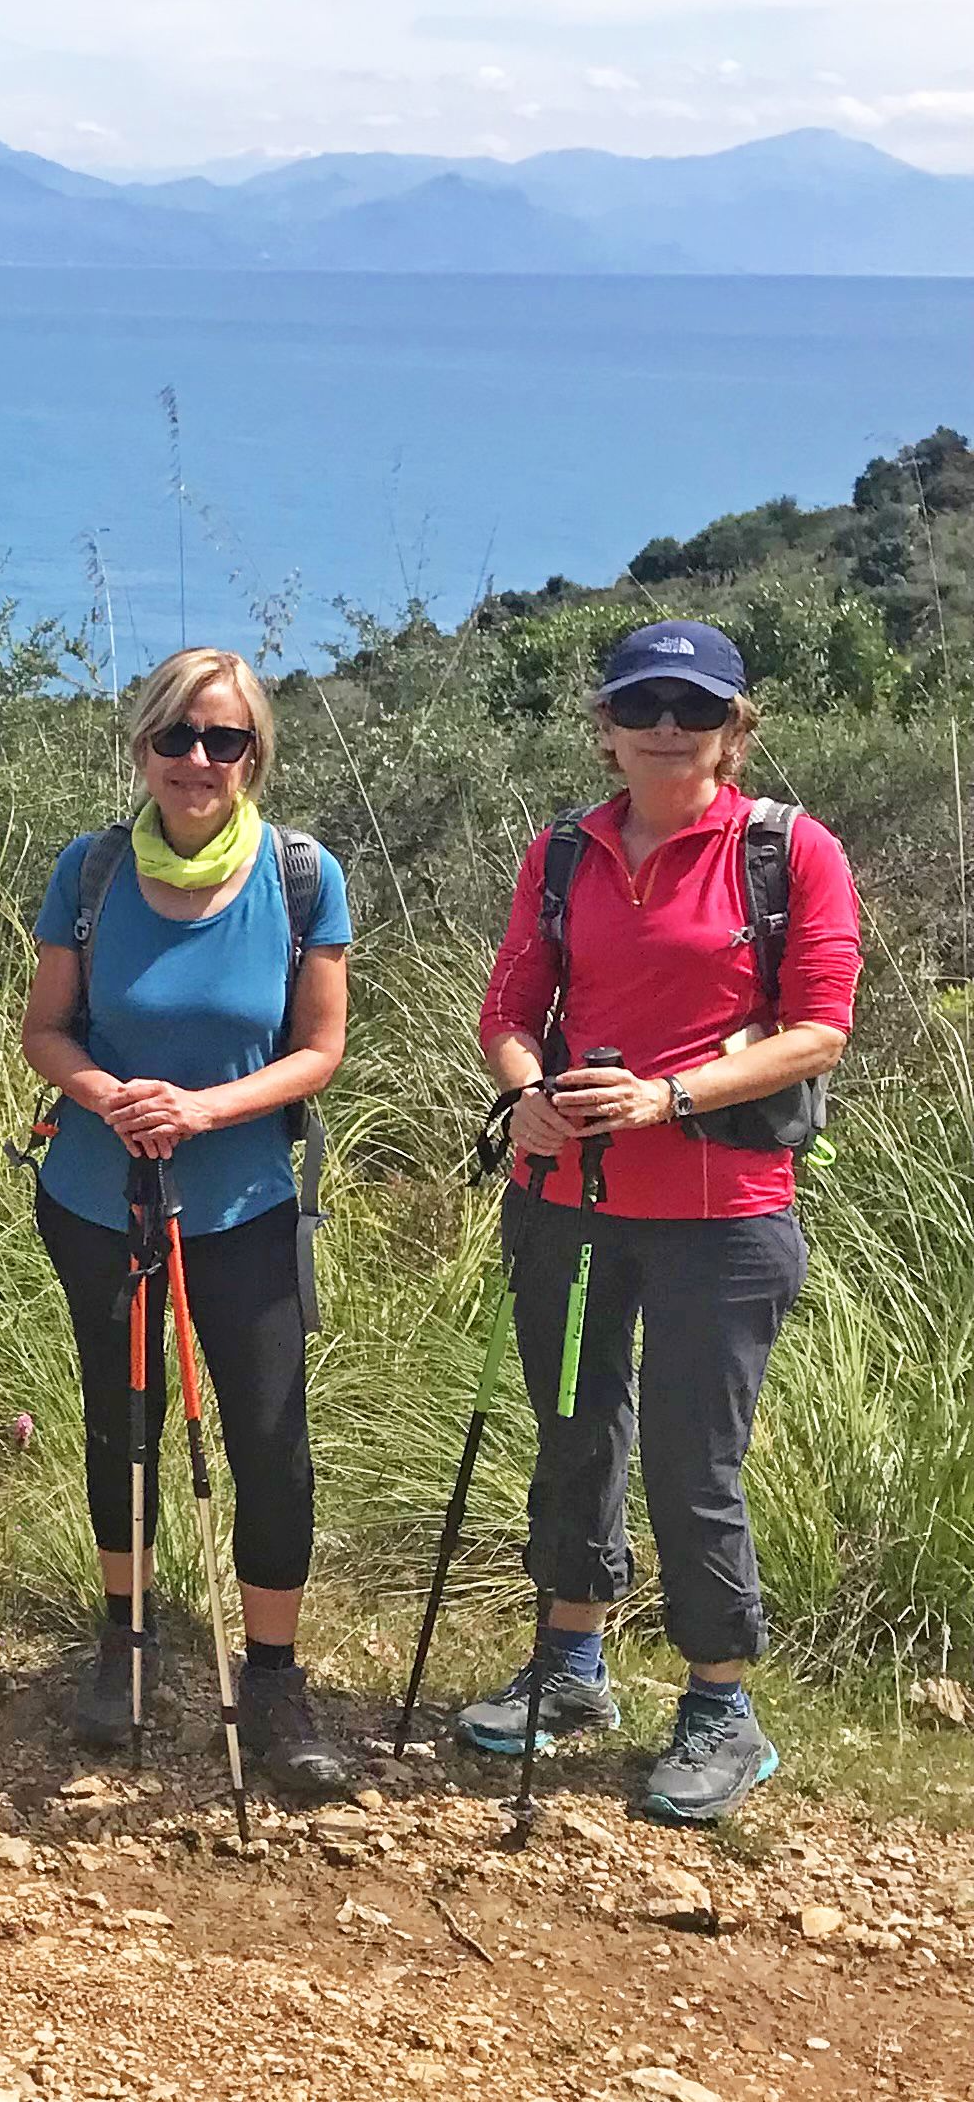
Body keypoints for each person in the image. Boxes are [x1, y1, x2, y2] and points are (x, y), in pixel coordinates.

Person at [460, 619, 854, 1826]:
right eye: (643, 709)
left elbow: (819, 1027)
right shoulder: (564, 853)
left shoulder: (790, 850)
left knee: (696, 1462)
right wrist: (529, 1096)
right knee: (576, 1434)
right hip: (570, 1204)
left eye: (694, 708)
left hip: (723, 1213)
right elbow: (511, 1005)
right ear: (607, 729)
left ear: (737, 725)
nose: (667, 729)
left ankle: (720, 1705)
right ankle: (573, 1667)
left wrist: (665, 1097)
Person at [20, 649, 353, 1796]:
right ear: (143, 747)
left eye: (224, 740)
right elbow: (46, 1030)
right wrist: (108, 1094)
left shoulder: (305, 875)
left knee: (267, 1435)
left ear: (255, 752)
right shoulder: (92, 868)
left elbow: (319, 1049)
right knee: (122, 1421)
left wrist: (204, 1106)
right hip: (97, 1190)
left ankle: (272, 1671)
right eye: (176, 737)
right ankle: (125, 1639)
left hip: (245, 1199)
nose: (198, 760)